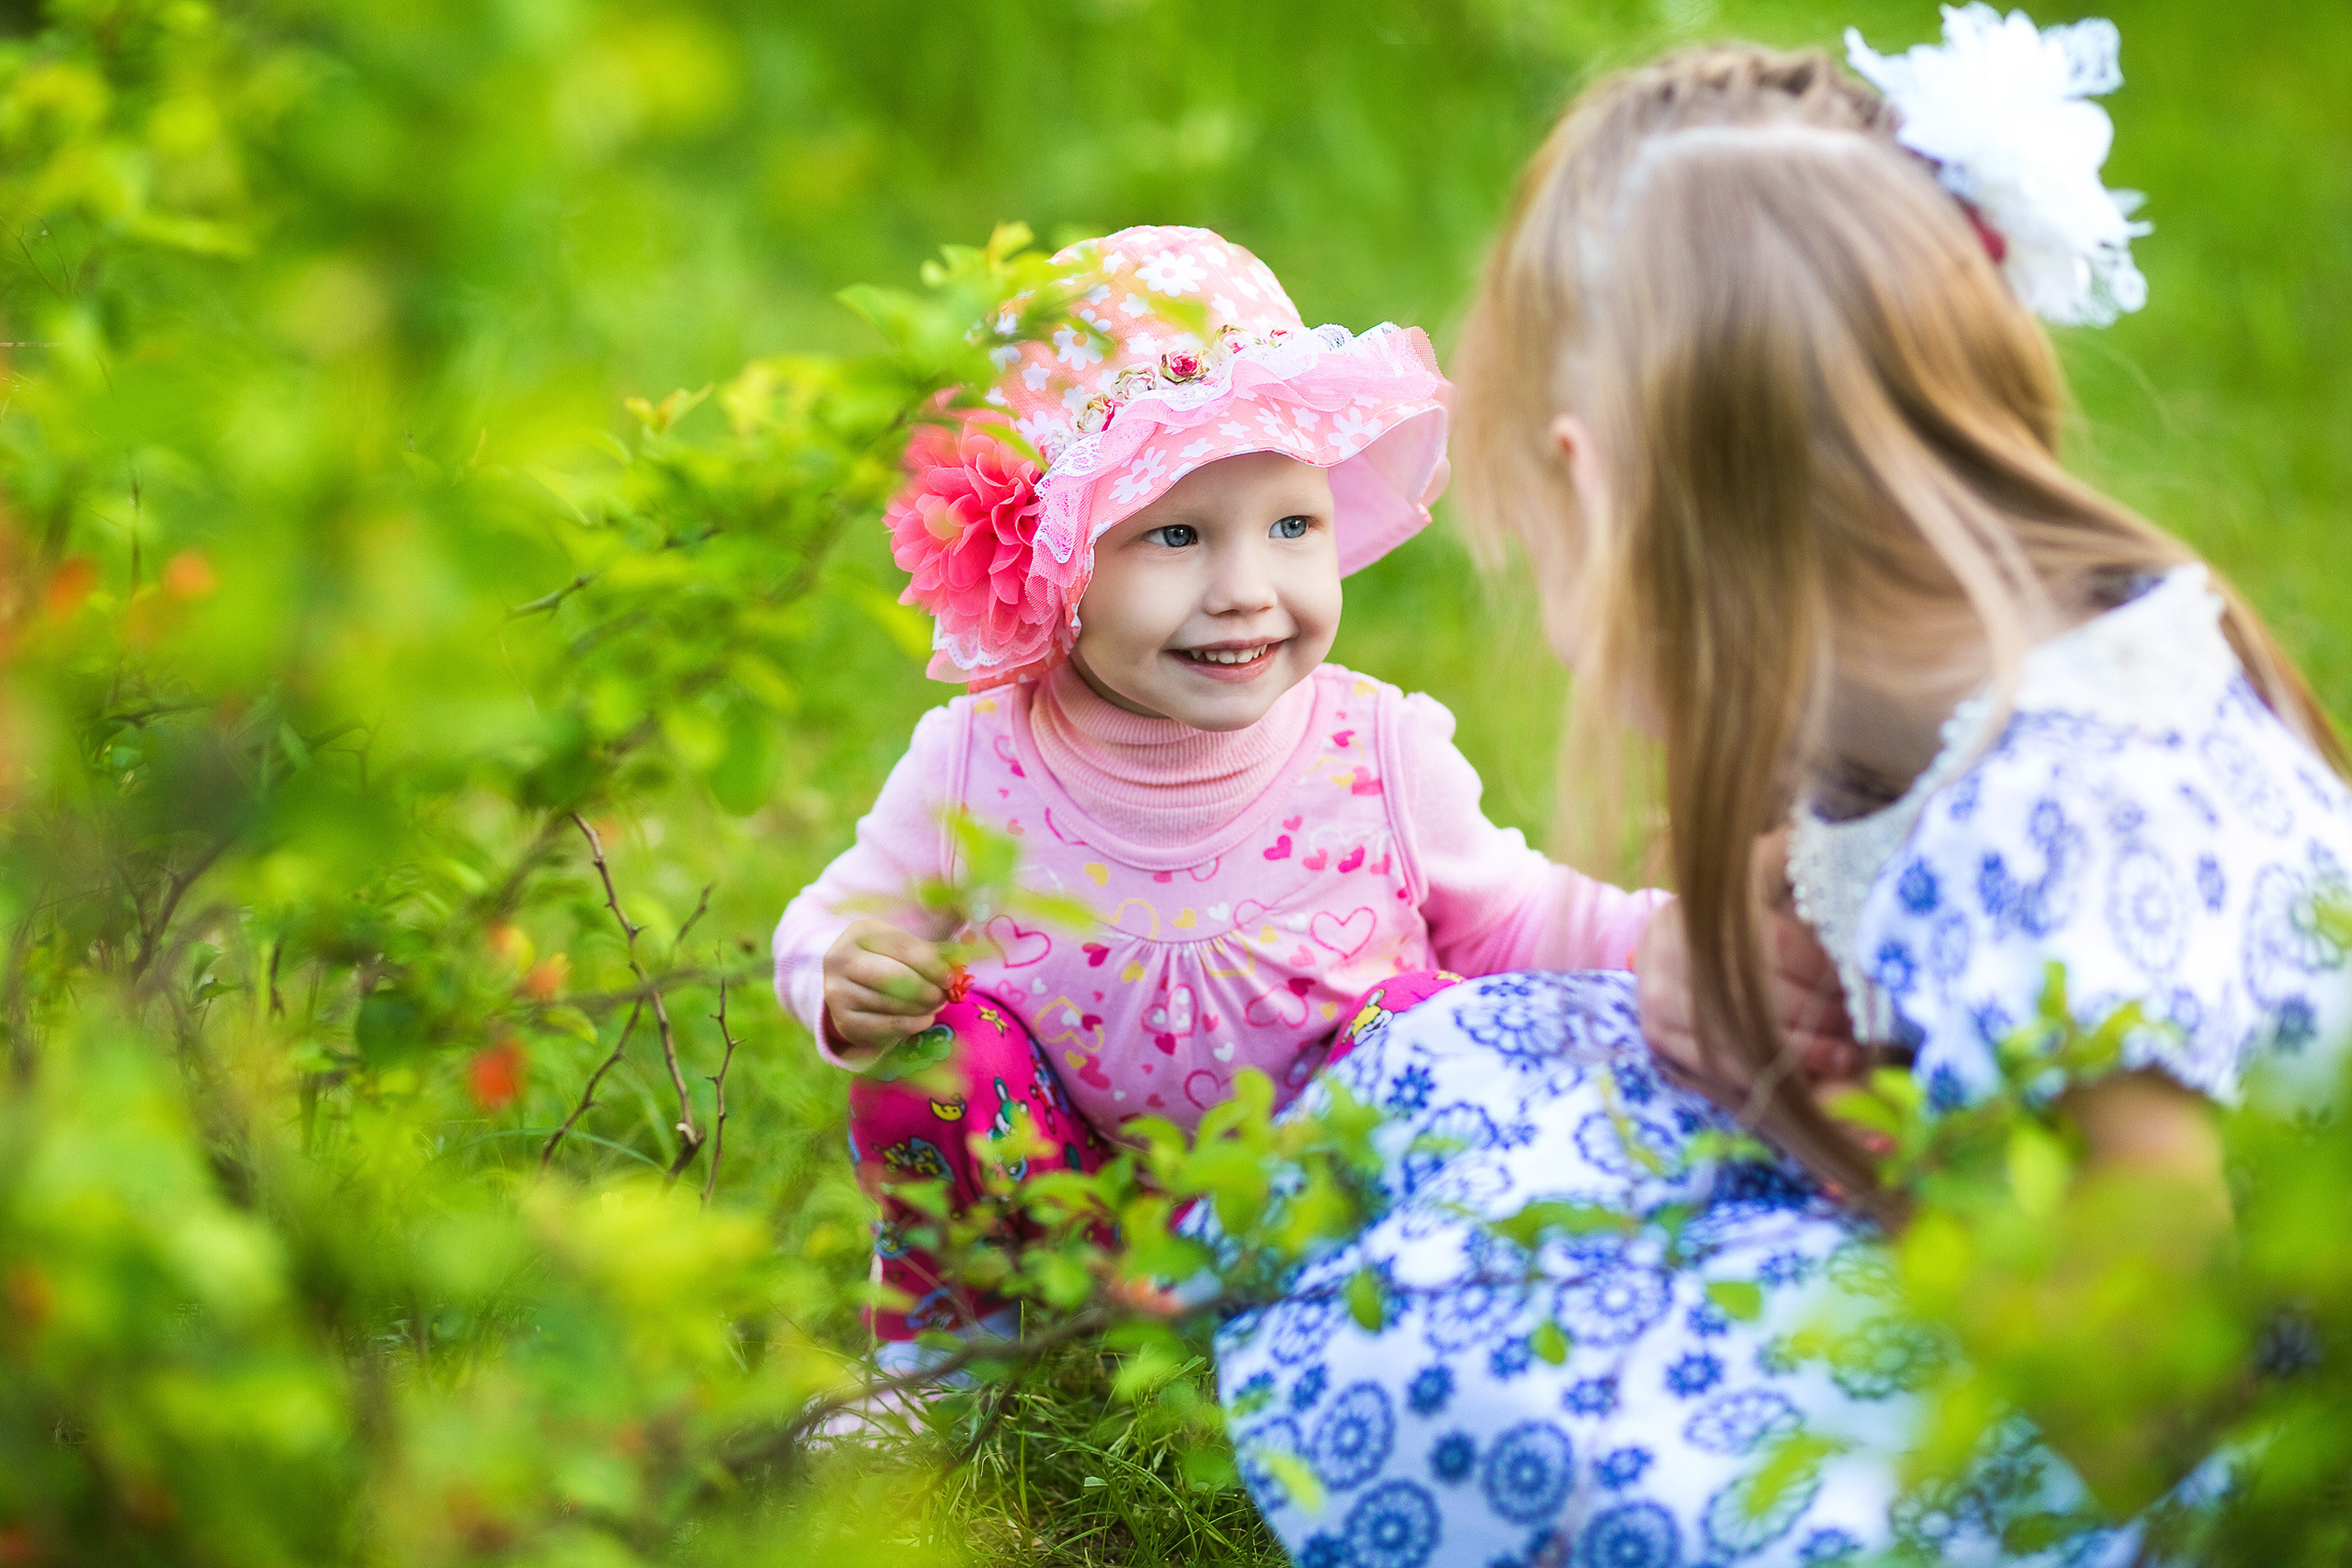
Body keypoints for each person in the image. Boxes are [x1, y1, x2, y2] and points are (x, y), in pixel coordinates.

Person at [1209, 13, 2352, 1566]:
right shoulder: (1943, 665)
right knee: (1471, 1053)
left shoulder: (2064, 821)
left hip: (2192, 1455)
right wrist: (1741, 937)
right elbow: (1829, 887)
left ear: (1602, 479)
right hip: (2025, 1269)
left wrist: (1872, 1174)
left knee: (1486, 1365)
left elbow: (2154, 1386)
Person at [774, 225, 1690, 1375]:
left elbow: (1517, 921)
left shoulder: (1378, 749)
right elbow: (824, 924)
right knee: (936, 1054)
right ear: (1058, 563)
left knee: (1426, 1027)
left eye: (1292, 526)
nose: (1248, 591)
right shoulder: (977, 766)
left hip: (1316, 1218)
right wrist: (841, 976)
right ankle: (950, 1353)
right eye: (1176, 535)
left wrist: (1685, 951)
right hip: (1063, 1217)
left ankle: (1380, 1330)